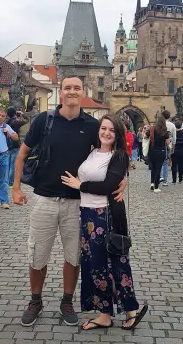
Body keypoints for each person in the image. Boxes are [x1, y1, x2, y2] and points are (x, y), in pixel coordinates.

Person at [11, 76, 126, 327]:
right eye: (67, 88)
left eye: (76, 88)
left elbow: (113, 152)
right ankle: (35, 300)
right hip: (44, 199)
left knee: (73, 257)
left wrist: (123, 178)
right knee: (37, 255)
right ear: (60, 93)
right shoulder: (45, 120)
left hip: (78, 203)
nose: (72, 92)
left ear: (83, 92)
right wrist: (16, 187)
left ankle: (67, 301)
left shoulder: (93, 125)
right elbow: (22, 154)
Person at [61, 114, 148, 330]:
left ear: (117, 134)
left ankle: (130, 310)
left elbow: (109, 185)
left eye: (111, 130)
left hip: (106, 215)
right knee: (96, 266)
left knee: (116, 263)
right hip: (88, 214)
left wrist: (80, 185)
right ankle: (106, 314)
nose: (106, 133)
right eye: (103, 128)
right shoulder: (91, 151)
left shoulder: (118, 156)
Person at [6, 107, 29, 188]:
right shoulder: (16, 123)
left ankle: (6, 180)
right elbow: (26, 120)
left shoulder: (7, 122)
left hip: (7, 145)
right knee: (12, 165)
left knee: (8, 164)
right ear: (14, 113)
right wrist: (22, 114)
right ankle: (10, 183)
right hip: (15, 145)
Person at [149, 116, 170, 193]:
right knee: (158, 168)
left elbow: (145, 136)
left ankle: (152, 183)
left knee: (153, 168)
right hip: (161, 151)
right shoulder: (165, 131)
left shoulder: (152, 129)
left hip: (153, 151)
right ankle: (156, 187)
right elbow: (168, 143)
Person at [160, 110, 176, 187]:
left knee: (159, 163)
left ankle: (159, 178)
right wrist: (173, 147)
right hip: (168, 146)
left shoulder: (159, 125)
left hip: (160, 146)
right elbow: (174, 138)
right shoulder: (172, 125)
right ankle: (165, 181)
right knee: (165, 163)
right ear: (169, 117)